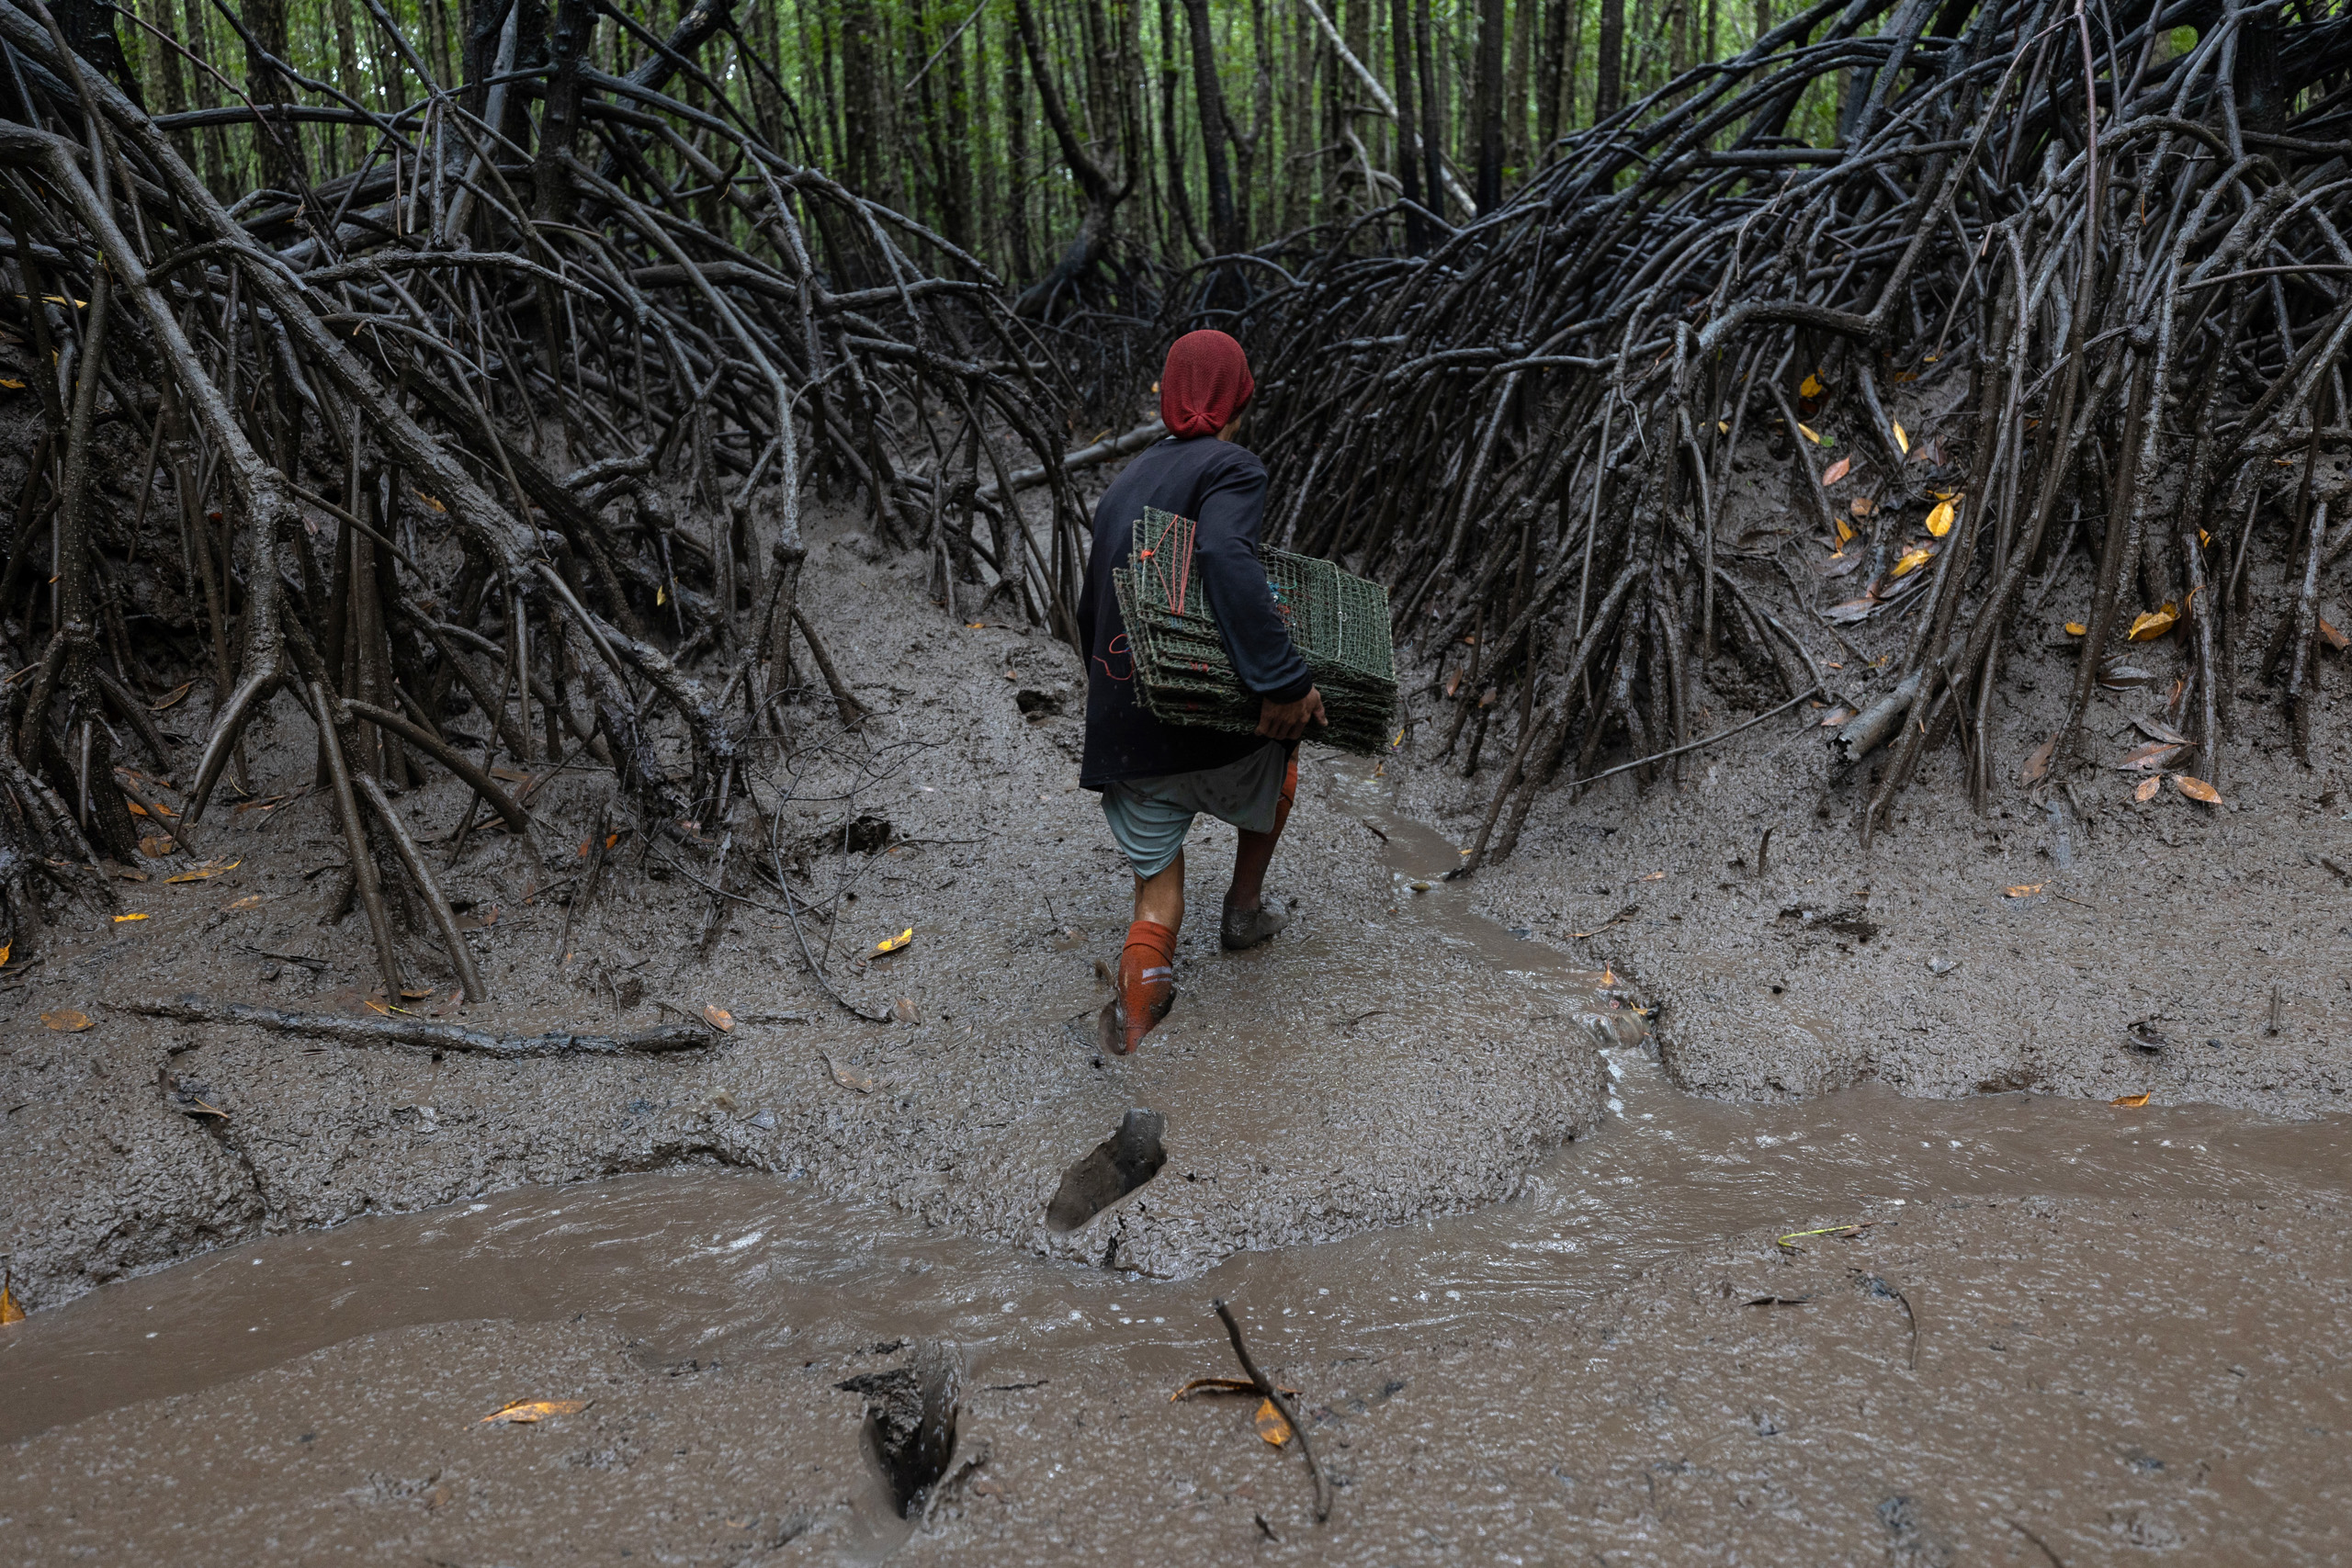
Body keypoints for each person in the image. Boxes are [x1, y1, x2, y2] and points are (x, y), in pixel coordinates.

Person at [1075, 330, 1327, 1056]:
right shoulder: (1233, 465)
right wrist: (1284, 680)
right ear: (1239, 396)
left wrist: (1114, 704)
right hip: (1201, 729)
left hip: (1126, 727)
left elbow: (1092, 611)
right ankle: (1243, 912)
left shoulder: (1121, 485)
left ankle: (1138, 1035)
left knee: (1156, 892)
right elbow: (1223, 554)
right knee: (1287, 748)